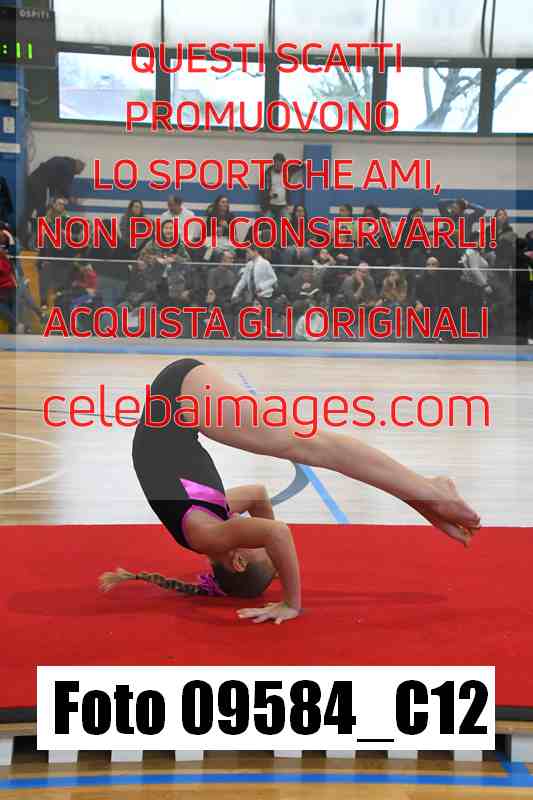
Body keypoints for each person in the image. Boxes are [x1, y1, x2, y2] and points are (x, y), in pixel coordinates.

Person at [101, 359, 481, 624]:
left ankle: (430, 492)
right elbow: (258, 494)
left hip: (178, 398)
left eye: (263, 554)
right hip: (176, 403)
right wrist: (277, 565)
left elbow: (278, 533)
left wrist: (291, 603)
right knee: (310, 445)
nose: (265, 545)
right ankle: (424, 498)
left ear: (237, 560)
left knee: (311, 446)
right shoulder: (210, 520)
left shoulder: (207, 535)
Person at [24, 157, 85, 245]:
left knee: (31, 209)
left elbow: (53, 181)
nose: (79, 173)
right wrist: (69, 198)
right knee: (41, 210)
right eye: (79, 171)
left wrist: (53, 198)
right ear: (77, 166)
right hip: (39, 183)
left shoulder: (63, 161)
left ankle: (28, 234)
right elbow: (63, 186)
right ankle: (36, 235)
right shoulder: (69, 168)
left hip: (33, 179)